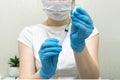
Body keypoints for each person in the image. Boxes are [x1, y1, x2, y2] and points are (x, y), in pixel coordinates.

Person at [18, 0, 100, 79]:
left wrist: (80, 46)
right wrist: (43, 73)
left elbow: (91, 78)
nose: (56, 2)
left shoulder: (84, 31)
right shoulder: (28, 34)